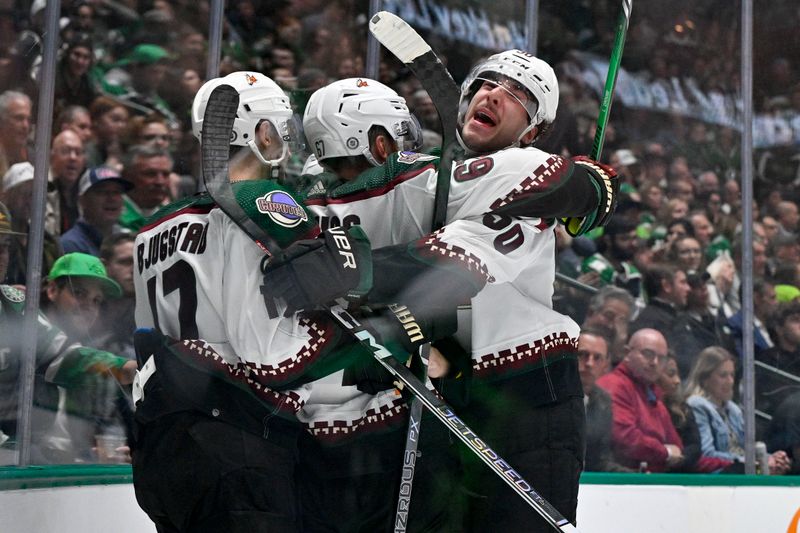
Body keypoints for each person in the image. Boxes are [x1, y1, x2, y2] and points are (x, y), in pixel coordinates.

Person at [267, 50, 619, 531]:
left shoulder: (516, 171)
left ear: (532, 132)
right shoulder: (429, 178)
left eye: (515, 93)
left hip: (528, 397)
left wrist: (589, 187)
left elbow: (452, 265)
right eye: (485, 84)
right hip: (442, 396)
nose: (492, 93)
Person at [131, 71, 431, 533]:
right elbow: (268, 353)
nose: (287, 141)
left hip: (159, 447)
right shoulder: (263, 198)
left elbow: (146, 337)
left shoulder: (153, 228)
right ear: (263, 132)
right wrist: (379, 344)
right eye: (282, 129)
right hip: (236, 442)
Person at [0, 213, 136, 464]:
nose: (87, 306)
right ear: (52, 290)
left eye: (5, 246)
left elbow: (64, 355)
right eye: (79, 293)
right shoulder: (23, 319)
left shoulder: (14, 305)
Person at [686, 346, 793, 474]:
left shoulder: (733, 409)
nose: (730, 381)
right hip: (722, 475)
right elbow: (707, 454)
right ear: (704, 378)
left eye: (732, 375)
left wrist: (771, 458)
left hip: (744, 469)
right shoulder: (697, 405)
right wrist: (753, 462)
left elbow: (746, 448)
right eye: (723, 375)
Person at [596, 328, 684, 472]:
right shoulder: (614, 385)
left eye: (661, 358)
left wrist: (667, 452)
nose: (654, 362)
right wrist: (665, 452)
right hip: (620, 482)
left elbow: (677, 446)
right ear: (626, 353)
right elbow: (625, 440)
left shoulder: (652, 393)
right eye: (648, 354)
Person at [579, 327, 632, 472]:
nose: (589, 363)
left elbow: (600, 460)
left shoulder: (604, 401)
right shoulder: (547, 395)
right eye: (582, 355)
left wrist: (636, 478)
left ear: (605, 365)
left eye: (597, 358)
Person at [61, 166, 132, 255]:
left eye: (117, 192)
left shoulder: (125, 237)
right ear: (83, 201)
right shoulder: (71, 245)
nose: (112, 198)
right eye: (102, 192)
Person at [119, 145, 172, 232]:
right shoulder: (112, 216)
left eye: (165, 174)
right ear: (126, 176)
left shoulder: (173, 218)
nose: (160, 182)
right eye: (150, 174)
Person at [0, 90, 31, 177]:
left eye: (28, 120)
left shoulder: (33, 158)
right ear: (2, 120)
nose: (25, 125)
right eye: (19, 118)